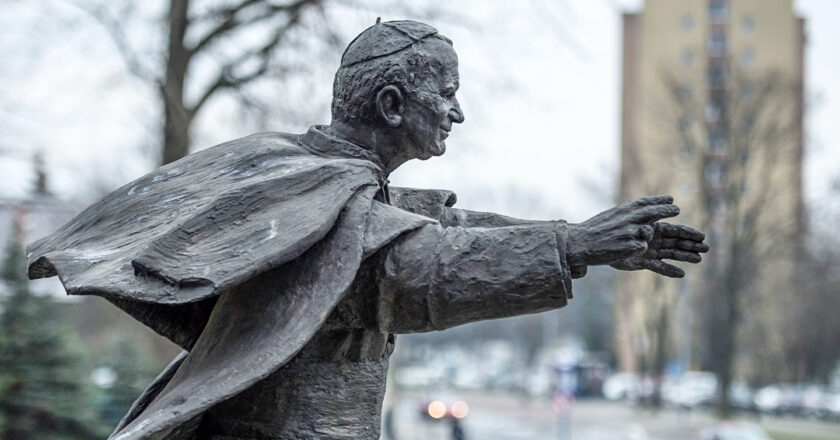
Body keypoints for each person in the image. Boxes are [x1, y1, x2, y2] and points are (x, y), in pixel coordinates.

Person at [27, 20, 707, 440]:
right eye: (445, 95)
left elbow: (443, 223)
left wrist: (579, 237)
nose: (457, 113)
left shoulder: (322, 179)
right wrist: (569, 249)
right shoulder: (316, 201)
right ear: (391, 103)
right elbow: (418, 269)